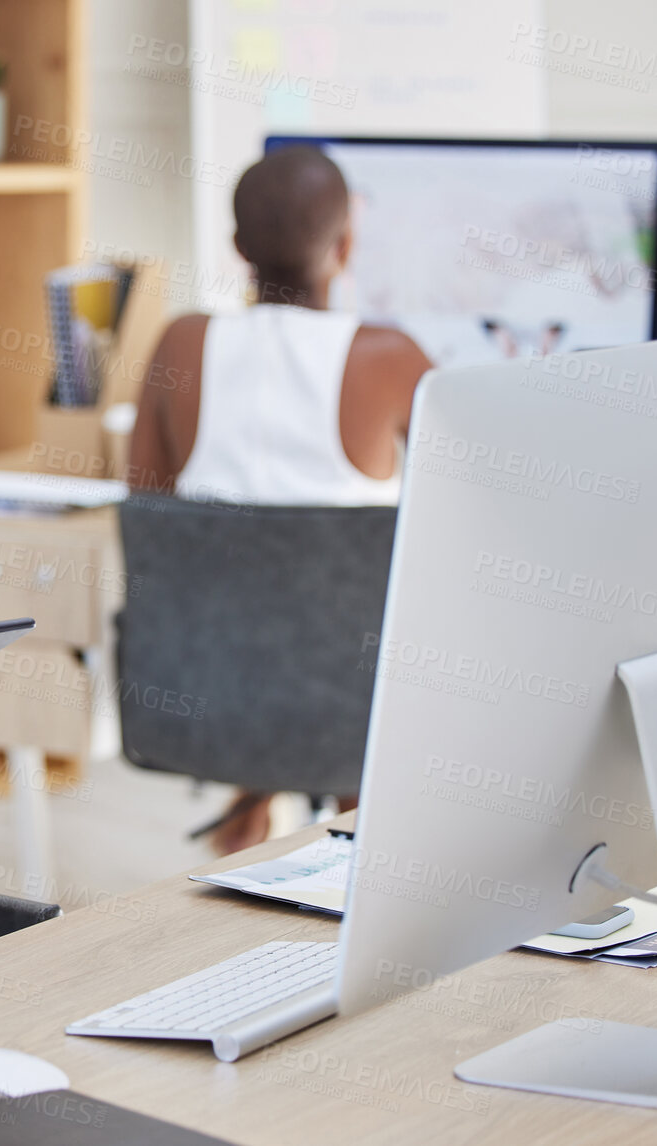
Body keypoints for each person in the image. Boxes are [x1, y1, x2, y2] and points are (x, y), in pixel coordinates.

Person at [127, 144, 432, 855]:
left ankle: (254, 790)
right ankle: (349, 827)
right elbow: (477, 505)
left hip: (217, 686)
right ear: (347, 244)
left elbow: (150, 515)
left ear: (238, 248)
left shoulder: (180, 343)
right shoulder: (389, 356)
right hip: (351, 703)